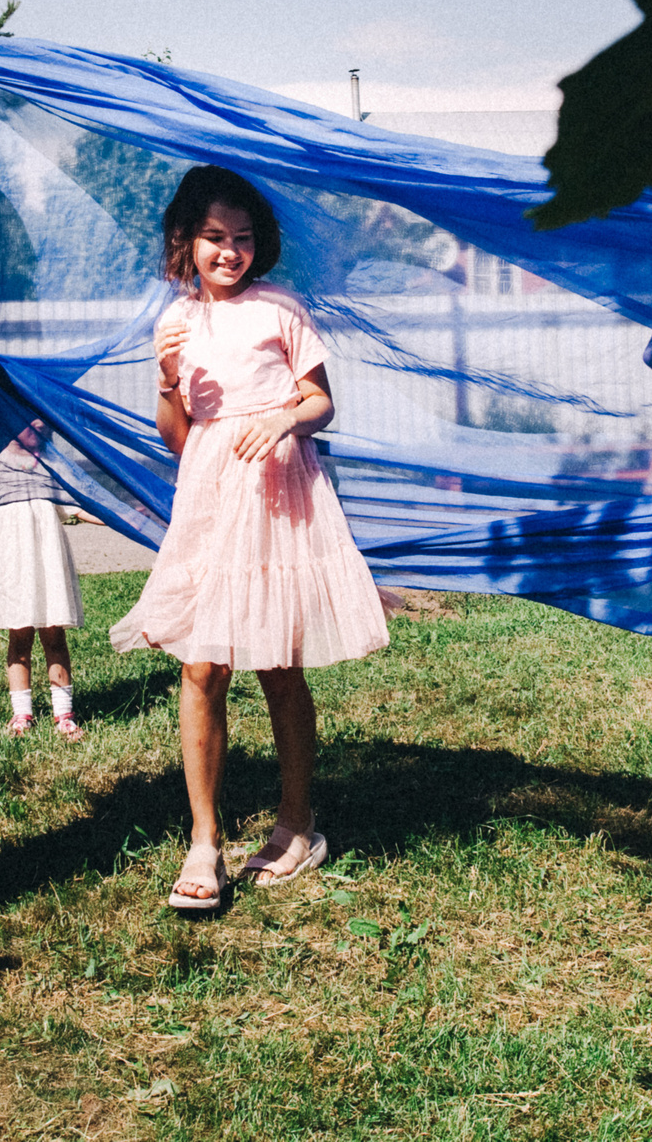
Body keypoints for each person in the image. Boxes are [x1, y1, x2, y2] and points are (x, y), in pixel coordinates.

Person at [110, 165, 393, 912]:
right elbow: (178, 435)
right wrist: (168, 377)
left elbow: (321, 399)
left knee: (277, 664)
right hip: (208, 497)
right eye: (213, 238)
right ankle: (203, 838)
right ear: (186, 243)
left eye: (240, 239)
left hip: (278, 496)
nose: (227, 252)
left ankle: (297, 823)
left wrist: (285, 417)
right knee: (201, 667)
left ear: (257, 244)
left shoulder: (280, 309)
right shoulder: (176, 322)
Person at [0, 421, 85, 738]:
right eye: (28, 417)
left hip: (46, 564)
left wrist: (123, 517)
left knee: (54, 635)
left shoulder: (50, 468)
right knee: (19, 638)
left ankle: (64, 714)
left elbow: (76, 508)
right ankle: (22, 714)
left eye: (42, 418)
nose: (38, 423)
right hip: (12, 566)